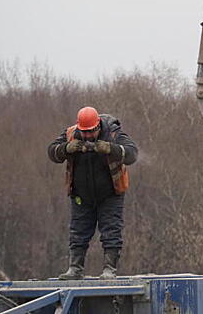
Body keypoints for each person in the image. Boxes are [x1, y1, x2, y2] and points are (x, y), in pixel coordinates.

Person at [48, 106, 138, 280]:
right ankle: (75, 268)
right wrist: (67, 148)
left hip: (111, 193)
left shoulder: (113, 132)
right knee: (78, 232)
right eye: (85, 132)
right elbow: (52, 151)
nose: (88, 136)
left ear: (98, 126)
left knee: (111, 231)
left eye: (91, 132)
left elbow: (132, 154)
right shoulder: (70, 134)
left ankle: (109, 269)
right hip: (82, 195)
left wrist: (111, 149)